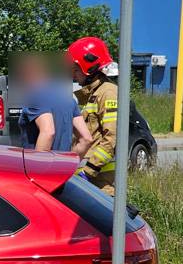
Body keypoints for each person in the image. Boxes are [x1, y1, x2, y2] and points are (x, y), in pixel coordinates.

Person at [68, 36, 119, 195]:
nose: (73, 75)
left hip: (100, 186)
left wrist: (88, 172)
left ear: (89, 68)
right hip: (88, 184)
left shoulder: (108, 93)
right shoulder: (92, 94)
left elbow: (112, 138)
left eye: (75, 70)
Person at [16, 53, 93, 157]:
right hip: (62, 166)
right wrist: (68, 162)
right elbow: (86, 139)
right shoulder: (68, 99)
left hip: (39, 165)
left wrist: (38, 163)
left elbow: (48, 132)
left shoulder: (35, 98)